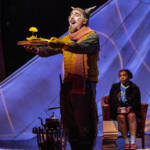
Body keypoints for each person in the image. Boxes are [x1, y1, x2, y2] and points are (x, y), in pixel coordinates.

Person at [24, 6, 100, 150]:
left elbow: (82, 47)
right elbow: (50, 50)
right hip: (68, 85)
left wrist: (62, 44)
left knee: (84, 122)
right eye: (71, 14)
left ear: (84, 21)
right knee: (69, 122)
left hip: (85, 84)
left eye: (76, 15)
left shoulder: (92, 36)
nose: (72, 17)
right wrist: (36, 49)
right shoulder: (67, 39)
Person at [108, 69, 141, 150]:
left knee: (131, 115)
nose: (122, 77)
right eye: (120, 75)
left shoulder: (134, 88)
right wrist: (117, 107)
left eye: (124, 75)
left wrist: (130, 107)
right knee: (121, 117)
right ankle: (126, 142)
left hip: (131, 109)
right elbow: (111, 100)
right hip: (118, 111)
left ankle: (132, 143)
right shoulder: (115, 87)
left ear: (128, 77)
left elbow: (137, 101)